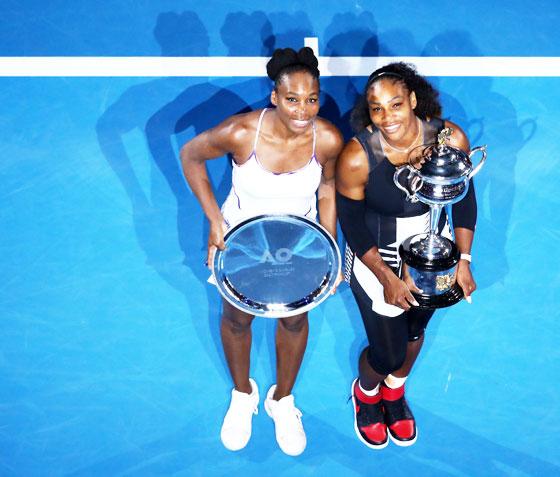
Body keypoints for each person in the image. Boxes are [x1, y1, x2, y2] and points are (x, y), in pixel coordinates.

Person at [180, 47, 343, 456]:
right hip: (243, 243)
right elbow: (190, 156)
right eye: (292, 99)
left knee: (294, 320)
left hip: (301, 244)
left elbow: (327, 189)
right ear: (274, 96)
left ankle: (282, 400)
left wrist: (329, 248)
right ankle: (242, 394)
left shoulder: (327, 139)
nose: (303, 109)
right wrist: (215, 219)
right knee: (236, 319)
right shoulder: (240, 132)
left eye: (311, 99)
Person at [336, 62, 477, 449]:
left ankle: (394, 392)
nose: (387, 117)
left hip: (435, 249)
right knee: (387, 351)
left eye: (395, 104)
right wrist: (386, 276)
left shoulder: (449, 139)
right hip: (375, 256)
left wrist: (462, 260)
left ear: (413, 100)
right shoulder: (357, 156)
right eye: (377, 108)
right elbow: (350, 220)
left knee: (415, 330)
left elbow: (464, 202)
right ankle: (367, 394)